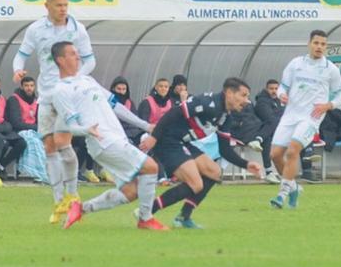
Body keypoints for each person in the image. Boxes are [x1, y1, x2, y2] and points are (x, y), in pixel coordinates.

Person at [47, 42, 166, 231]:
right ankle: (145, 219)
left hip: (115, 138)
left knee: (132, 190)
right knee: (151, 167)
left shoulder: (88, 80)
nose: (78, 57)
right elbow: (71, 126)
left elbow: (116, 105)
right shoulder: (60, 91)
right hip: (102, 141)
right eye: (72, 54)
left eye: (77, 53)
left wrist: (145, 125)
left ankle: (81, 208)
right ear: (60, 60)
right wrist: (87, 130)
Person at [13, 0, 95, 224]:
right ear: (46, 5)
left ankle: (72, 194)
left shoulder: (77, 28)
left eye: (66, 5)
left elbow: (90, 60)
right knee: (50, 147)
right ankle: (59, 199)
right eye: (59, 5)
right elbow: (21, 55)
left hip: (68, 94)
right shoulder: (36, 29)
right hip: (46, 94)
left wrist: (74, 78)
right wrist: (17, 69)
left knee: (63, 142)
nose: (63, 9)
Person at [140, 78, 262, 228]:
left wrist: (247, 164)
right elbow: (173, 113)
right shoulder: (208, 103)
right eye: (243, 95)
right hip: (166, 141)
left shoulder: (226, 116)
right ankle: (147, 211)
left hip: (181, 142)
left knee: (214, 172)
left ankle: (183, 218)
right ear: (229, 93)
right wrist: (154, 137)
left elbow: (224, 149)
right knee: (196, 184)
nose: (246, 101)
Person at [270, 30, 341, 209]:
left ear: (326, 47)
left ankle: (282, 195)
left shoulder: (331, 69)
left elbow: (340, 97)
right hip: (290, 115)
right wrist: (282, 95)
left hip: (311, 118)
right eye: (316, 43)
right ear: (309, 43)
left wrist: (327, 105)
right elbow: (283, 87)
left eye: (323, 44)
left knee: (293, 151)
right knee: (275, 155)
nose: (319, 47)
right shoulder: (296, 64)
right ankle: (293, 187)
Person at [254, 79, 285, 183]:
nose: (274, 91)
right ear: (266, 89)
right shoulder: (262, 101)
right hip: (264, 130)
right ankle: (269, 172)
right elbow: (269, 118)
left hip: (278, 131)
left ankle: (307, 166)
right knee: (268, 138)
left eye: (276, 89)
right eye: (271, 89)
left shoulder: (279, 100)